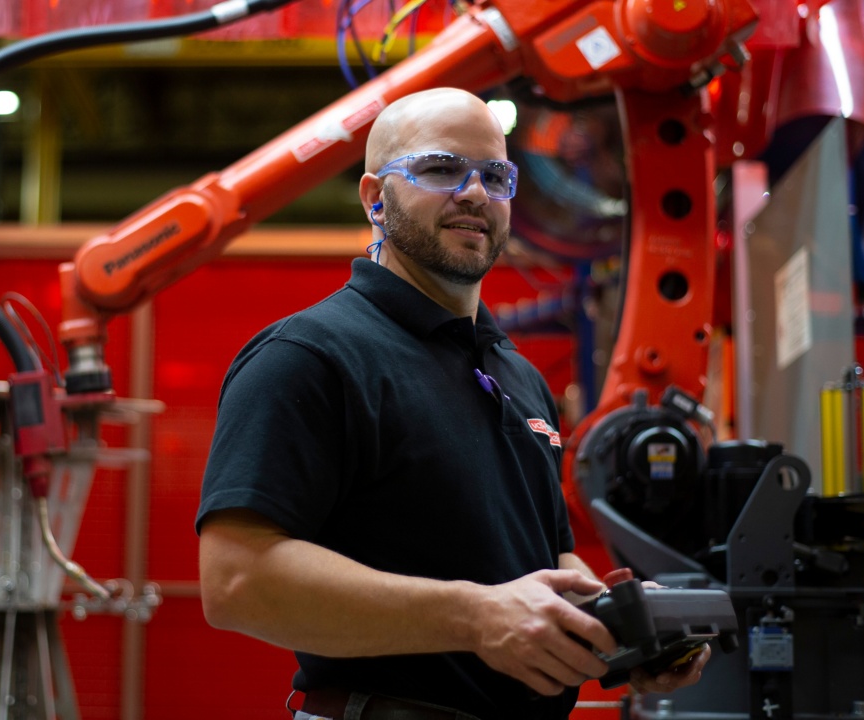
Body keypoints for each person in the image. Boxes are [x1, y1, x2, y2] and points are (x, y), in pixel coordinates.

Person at [195, 87, 710, 720]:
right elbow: (236, 582)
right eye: (441, 169)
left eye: (495, 176)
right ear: (374, 198)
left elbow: (544, 567)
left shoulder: (516, 375)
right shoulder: (310, 355)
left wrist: (622, 629)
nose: (474, 193)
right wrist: (474, 618)